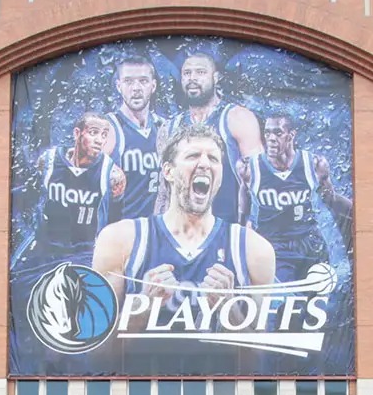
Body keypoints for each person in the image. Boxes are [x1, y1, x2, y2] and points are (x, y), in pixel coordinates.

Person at [91, 124, 277, 330]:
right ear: (168, 171)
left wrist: (230, 312)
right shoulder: (120, 240)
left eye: (214, 159)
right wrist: (143, 310)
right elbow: (97, 353)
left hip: (218, 363)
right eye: (193, 156)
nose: (205, 164)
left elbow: (262, 358)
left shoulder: (255, 250)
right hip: (145, 363)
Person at [12, 109, 126, 289]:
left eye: (104, 135)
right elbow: (30, 199)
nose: (99, 140)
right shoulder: (48, 161)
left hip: (85, 252)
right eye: (93, 133)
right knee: (14, 286)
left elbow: (116, 220)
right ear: (77, 133)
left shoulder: (113, 175)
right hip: (45, 249)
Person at [245, 113, 351, 283]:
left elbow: (330, 199)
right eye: (267, 133)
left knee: (320, 301)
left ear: (291, 135)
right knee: (285, 302)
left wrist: (359, 214)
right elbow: (242, 213)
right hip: (273, 246)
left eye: (277, 133)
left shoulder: (315, 164)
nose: (271, 138)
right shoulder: (250, 168)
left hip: (309, 244)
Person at [174, 48, 261, 220]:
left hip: (229, 228)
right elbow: (164, 189)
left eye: (200, 72)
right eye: (187, 73)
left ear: (215, 77)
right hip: (184, 232)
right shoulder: (172, 126)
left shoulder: (238, 118)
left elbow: (260, 179)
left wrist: (252, 227)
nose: (192, 78)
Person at [107, 56, 170, 216]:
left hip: (158, 231)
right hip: (122, 233)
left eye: (143, 81)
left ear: (153, 85)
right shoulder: (108, 128)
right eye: (128, 81)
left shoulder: (165, 128)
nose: (136, 88)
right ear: (118, 86)